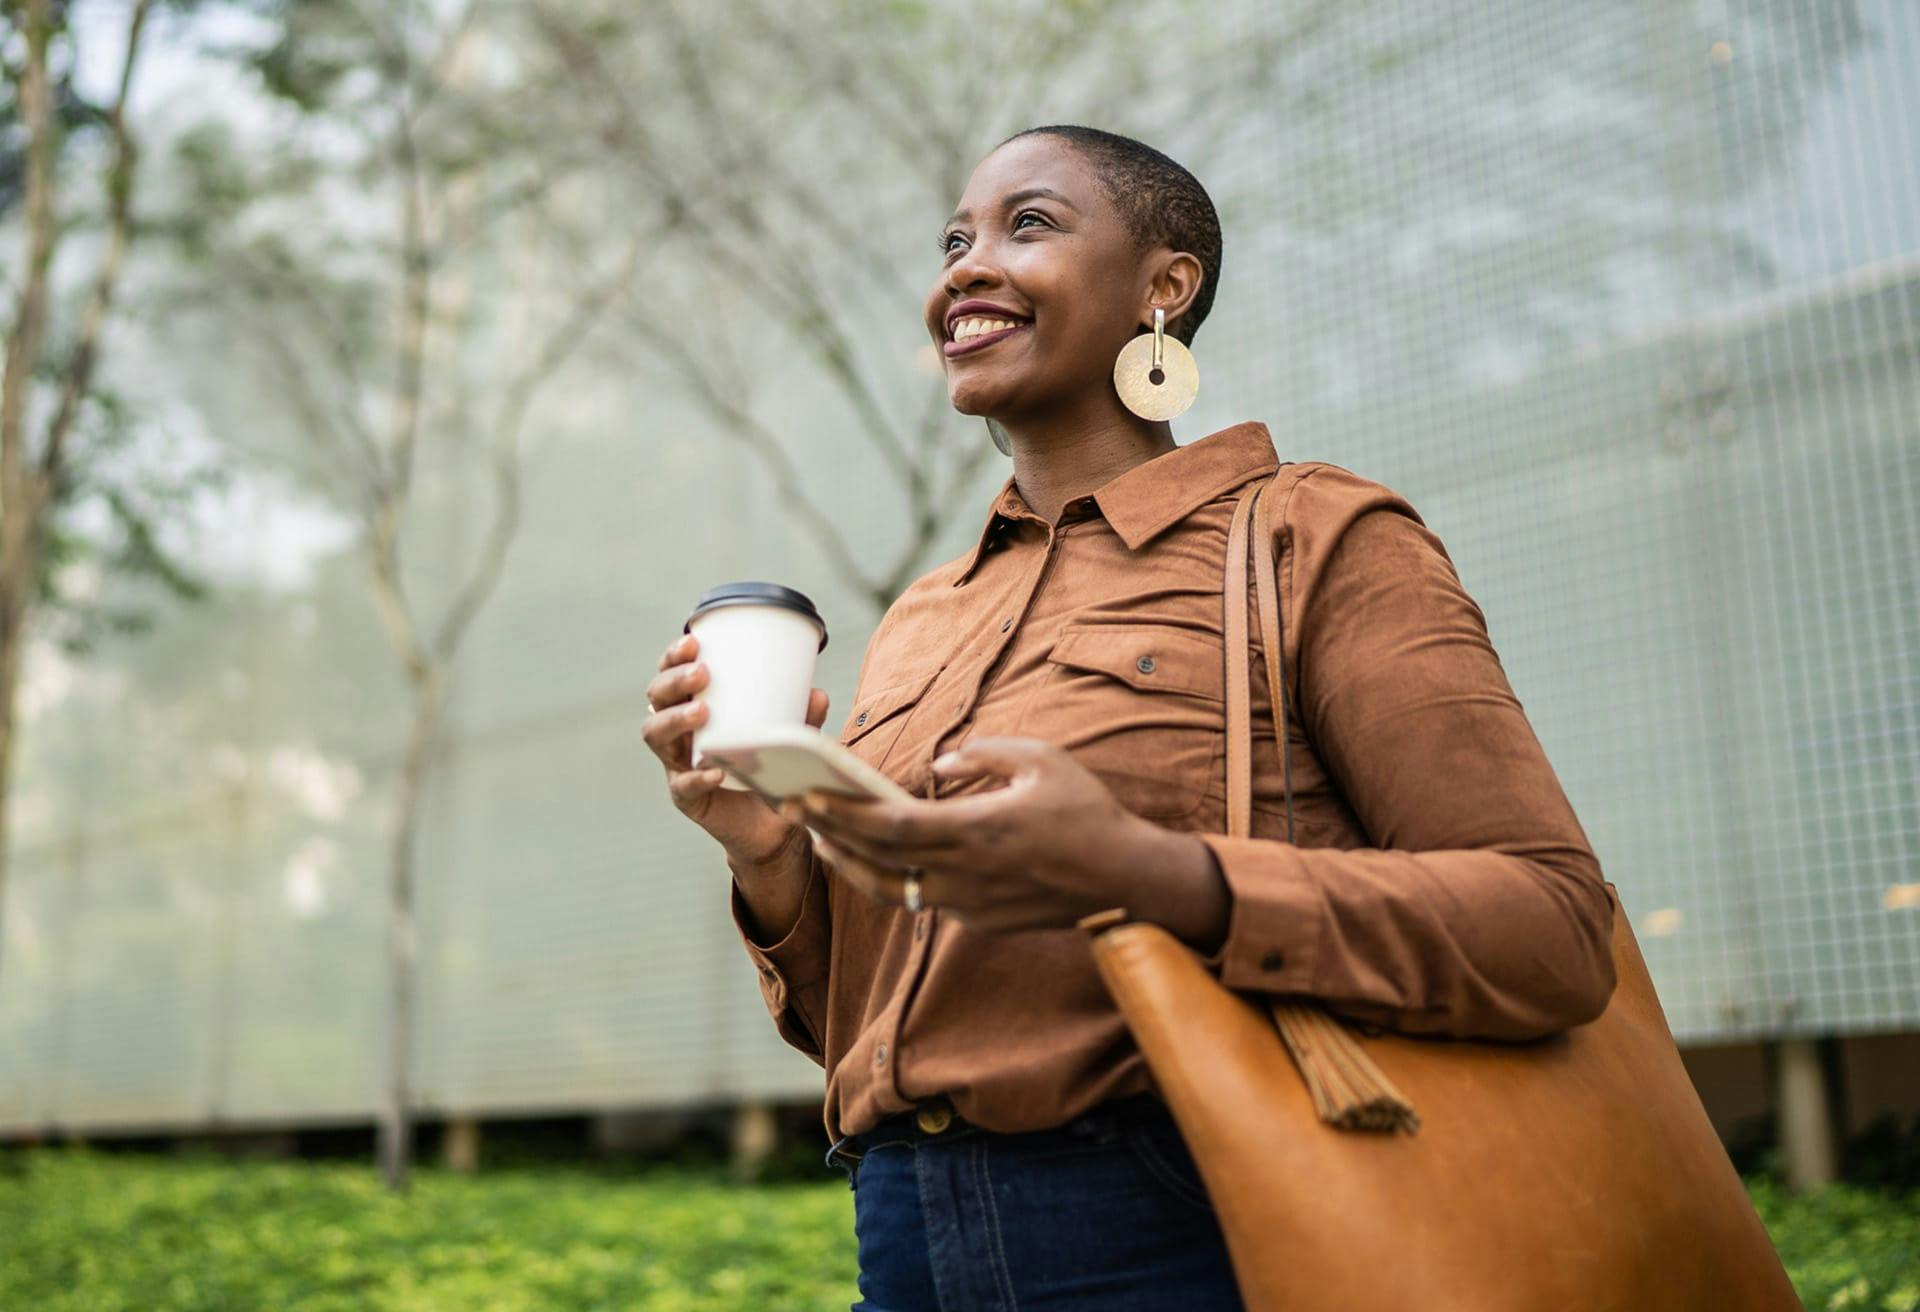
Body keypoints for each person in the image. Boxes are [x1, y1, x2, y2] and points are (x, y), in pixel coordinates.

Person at [642, 124, 1617, 1311]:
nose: (963, 266)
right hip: (898, 1233)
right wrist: (769, 852)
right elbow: (886, 1020)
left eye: (1028, 224)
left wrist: (1150, 872)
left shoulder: (1315, 538)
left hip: (1181, 1218)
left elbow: (1552, 926)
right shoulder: (920, 617)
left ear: (1166, 286)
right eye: (953, 239)